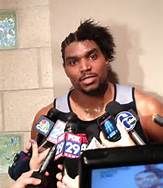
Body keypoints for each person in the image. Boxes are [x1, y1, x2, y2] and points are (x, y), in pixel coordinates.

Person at [9, 19, 163, 188]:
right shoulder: (47, 117)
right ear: (65, 69)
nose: (84, 67)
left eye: (92, 56)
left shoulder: (145, 109)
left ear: (106, 58)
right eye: (73, 62)